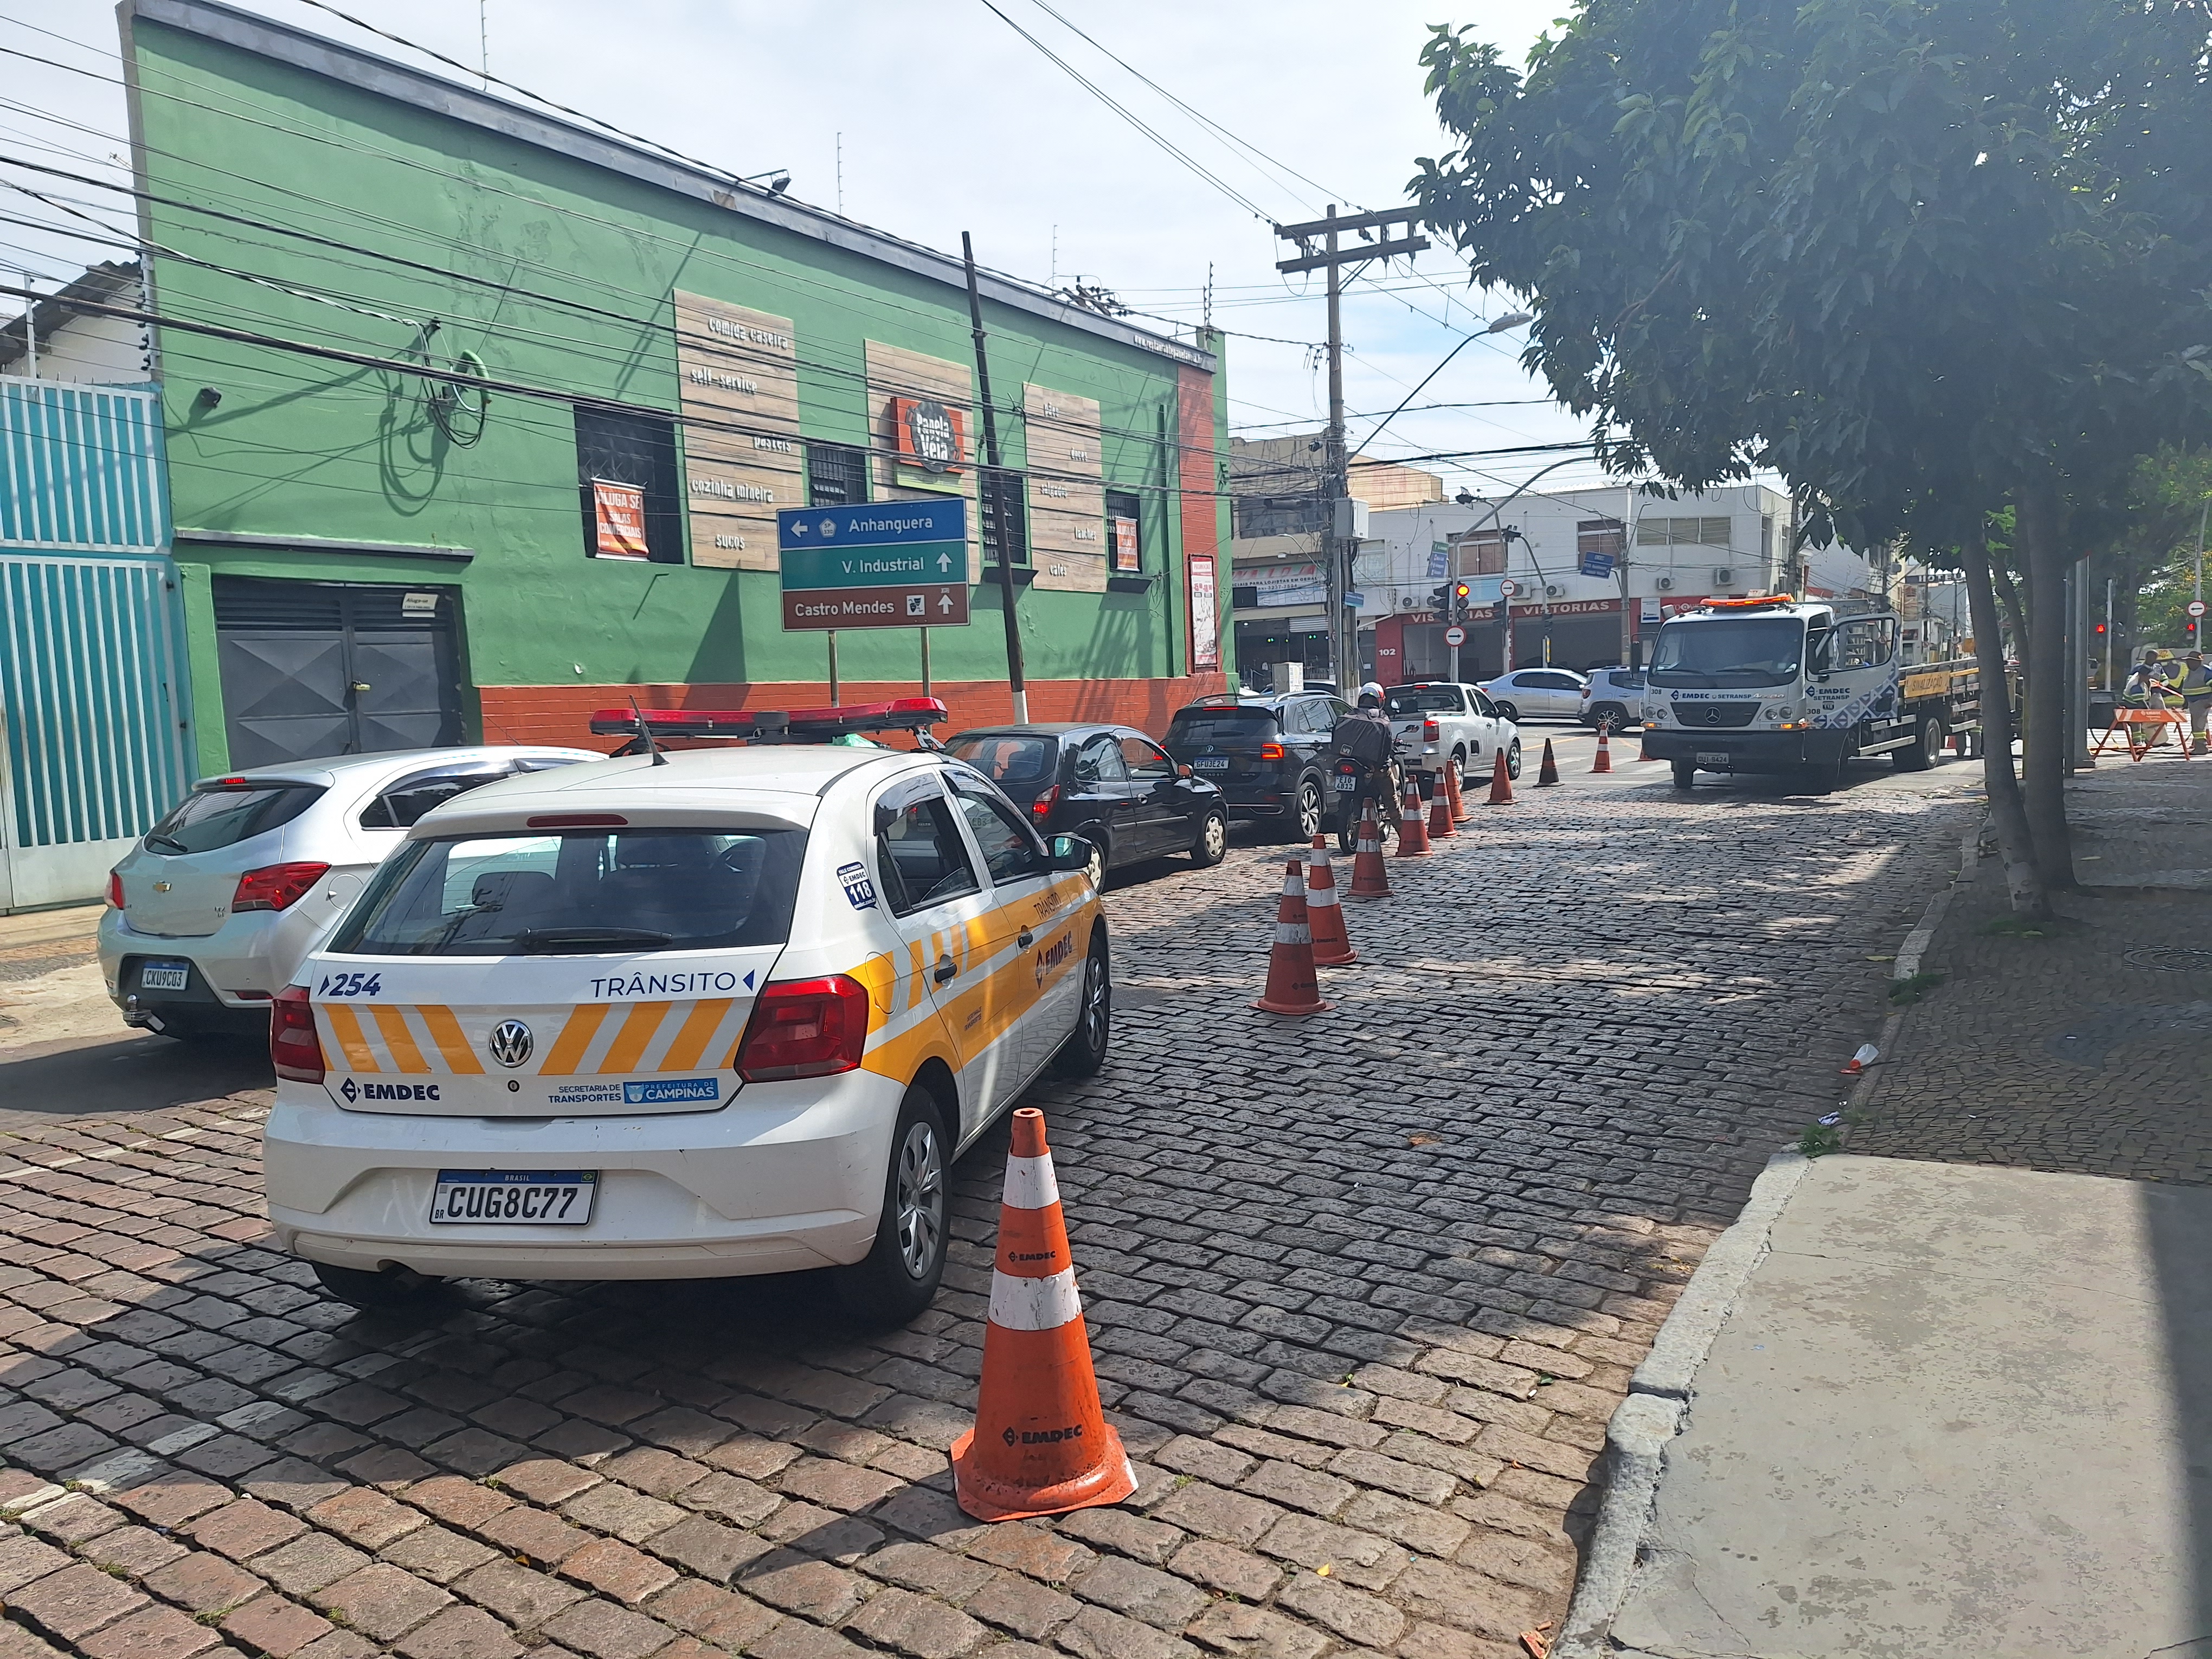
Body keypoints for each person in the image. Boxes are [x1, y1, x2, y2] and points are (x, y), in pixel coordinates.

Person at [2181, 651, 2212, 754]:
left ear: (2198, 662)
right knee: (2197, 724)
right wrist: (2186, 702)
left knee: (2198, 726)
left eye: (2190, 661)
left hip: (2202, 701)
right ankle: (2200, 746)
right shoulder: (2191, 672)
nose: (2188, 664)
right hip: (2193, 702)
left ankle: (2201, 748)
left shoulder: (2206, 672)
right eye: (2188, 662)